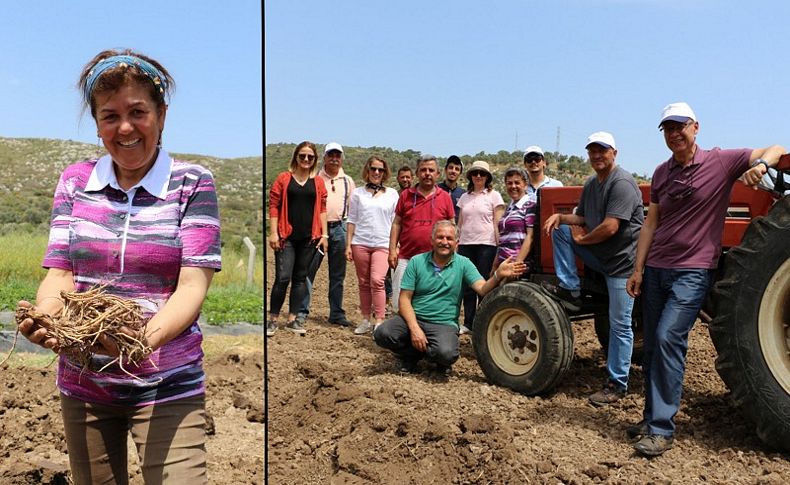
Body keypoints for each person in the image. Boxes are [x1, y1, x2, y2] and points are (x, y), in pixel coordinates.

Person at [16, 49, 222, 484]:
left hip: (167, 384)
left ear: (161, 115)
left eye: (138, 112)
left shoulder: (192, 184)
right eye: (110, 116)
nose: (125, 128)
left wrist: (139, 342)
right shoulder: (76, 182)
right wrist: (48, 319)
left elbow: (191, 286)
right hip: (85, 383)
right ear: (96, 123)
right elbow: (61, 275)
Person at [625, 102, 785, 456]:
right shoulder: (662, 172)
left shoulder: (720, 161)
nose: (674, 134)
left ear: (695, 127)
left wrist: (760, 165)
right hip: (657, 268)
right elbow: (651, 223)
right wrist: (638, 269)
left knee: (669, 337)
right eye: (667, 128)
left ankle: (661, 429)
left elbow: (777, 149)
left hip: (693, 270)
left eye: (680, 126)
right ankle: (651, 417)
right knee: (652, 345)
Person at [542, 131, 644, 407]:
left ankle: (616, 383)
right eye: (593, 151)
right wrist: (561, 216)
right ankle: (571, 289)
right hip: (601, 256)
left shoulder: (621, 183)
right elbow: (584, 217)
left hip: (622, 264)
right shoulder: (591, 183)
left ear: (615, 152)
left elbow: (611, 226)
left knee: (620, 324)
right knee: (562, 231)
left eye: (603, 150)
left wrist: (583, 240)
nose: (597, 155)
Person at [374, 220, 526, 375]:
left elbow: (482, 289)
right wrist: (414, 329)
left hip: (443, 323)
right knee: (383, 334)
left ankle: (432, 355)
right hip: (414, 317)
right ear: (432, 240)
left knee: (447, 354)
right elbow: (404, 299)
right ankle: (411, 355)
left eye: (449, 238)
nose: (444, 242)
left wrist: (497, 275)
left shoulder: (463, 264)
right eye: (440, 237)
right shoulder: (417, 261)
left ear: (457, 243)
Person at [268, 142, 328, 336]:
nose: (306, 160)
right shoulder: (284, 179)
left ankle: (292, 319)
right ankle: (272, 319)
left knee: (300, 279)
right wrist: (274, 232)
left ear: (314, 160)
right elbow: (274, 206)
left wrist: (324, 234)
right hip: (287, 237)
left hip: (309, 238)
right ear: (296, 157)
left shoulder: (318, 182)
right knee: (282, 278)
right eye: (302, 156)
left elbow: (322, 209)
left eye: (310, 157)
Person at [388, 155, 455, 313]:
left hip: (435, 261)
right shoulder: (406, 195)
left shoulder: (445, 198)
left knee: (429, 303)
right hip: (406, 257)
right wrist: (391, 249)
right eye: (423, 170)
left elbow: (452, 226)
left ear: (438, 174)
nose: (427, 173)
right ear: (417, 173)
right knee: (399, 302)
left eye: (431, 170)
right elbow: (397, 223)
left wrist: (453, 255)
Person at [299, 142, 356, 327]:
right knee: (308, 271)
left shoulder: (348, 181)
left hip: (340, 228)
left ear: (341, 158)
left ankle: (336, 313)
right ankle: (301, 311)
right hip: (316, 230)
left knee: (338, 275)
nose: (334, 159)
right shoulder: (314, 177)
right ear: (324, 158)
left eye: (337, 155)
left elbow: (353, 210)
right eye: (330, 155)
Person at [345, 156, 399, 334]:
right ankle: (366, 319)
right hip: (360, 242)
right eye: (373, 169)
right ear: (367, 171)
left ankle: (380, 320)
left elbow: (395, 222)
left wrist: (394, 246)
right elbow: (352, 220)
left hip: (382, 243)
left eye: (380, 170)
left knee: (377, 281)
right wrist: (348, 245)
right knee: (363, 282)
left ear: (385, 173)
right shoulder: (357, 193)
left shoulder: (392, 194)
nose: (376, 172)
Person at [456, 160, 504, 334]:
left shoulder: (494, 196)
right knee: (468, 285)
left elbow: (497, 222)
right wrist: (457, 242)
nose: (478, 176)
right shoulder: (464, 197)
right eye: (475, 173)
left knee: (484, 283)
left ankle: (485, 321)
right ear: (470, 176)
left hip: (486, 244)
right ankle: (469, 322)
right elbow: (460, 223)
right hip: (466, 245)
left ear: (487, 177)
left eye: (482, 173)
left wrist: (500, 247)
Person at [494, 167, 537, 279]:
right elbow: (502, 239)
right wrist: (494, 266)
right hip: (503, 265)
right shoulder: (509, 207)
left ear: (525, 185)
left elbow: (530, 237)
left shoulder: (530, 205)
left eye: (517, 182)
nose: (513, 186)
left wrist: (516, 265)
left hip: (516, 267)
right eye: (509, 183)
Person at [438, 155, 465, 220]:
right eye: (451, 167)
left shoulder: (463, 194)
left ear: (460, 173)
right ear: (445, 170)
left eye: (457, 169)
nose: (453, 171)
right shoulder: (435, 190)